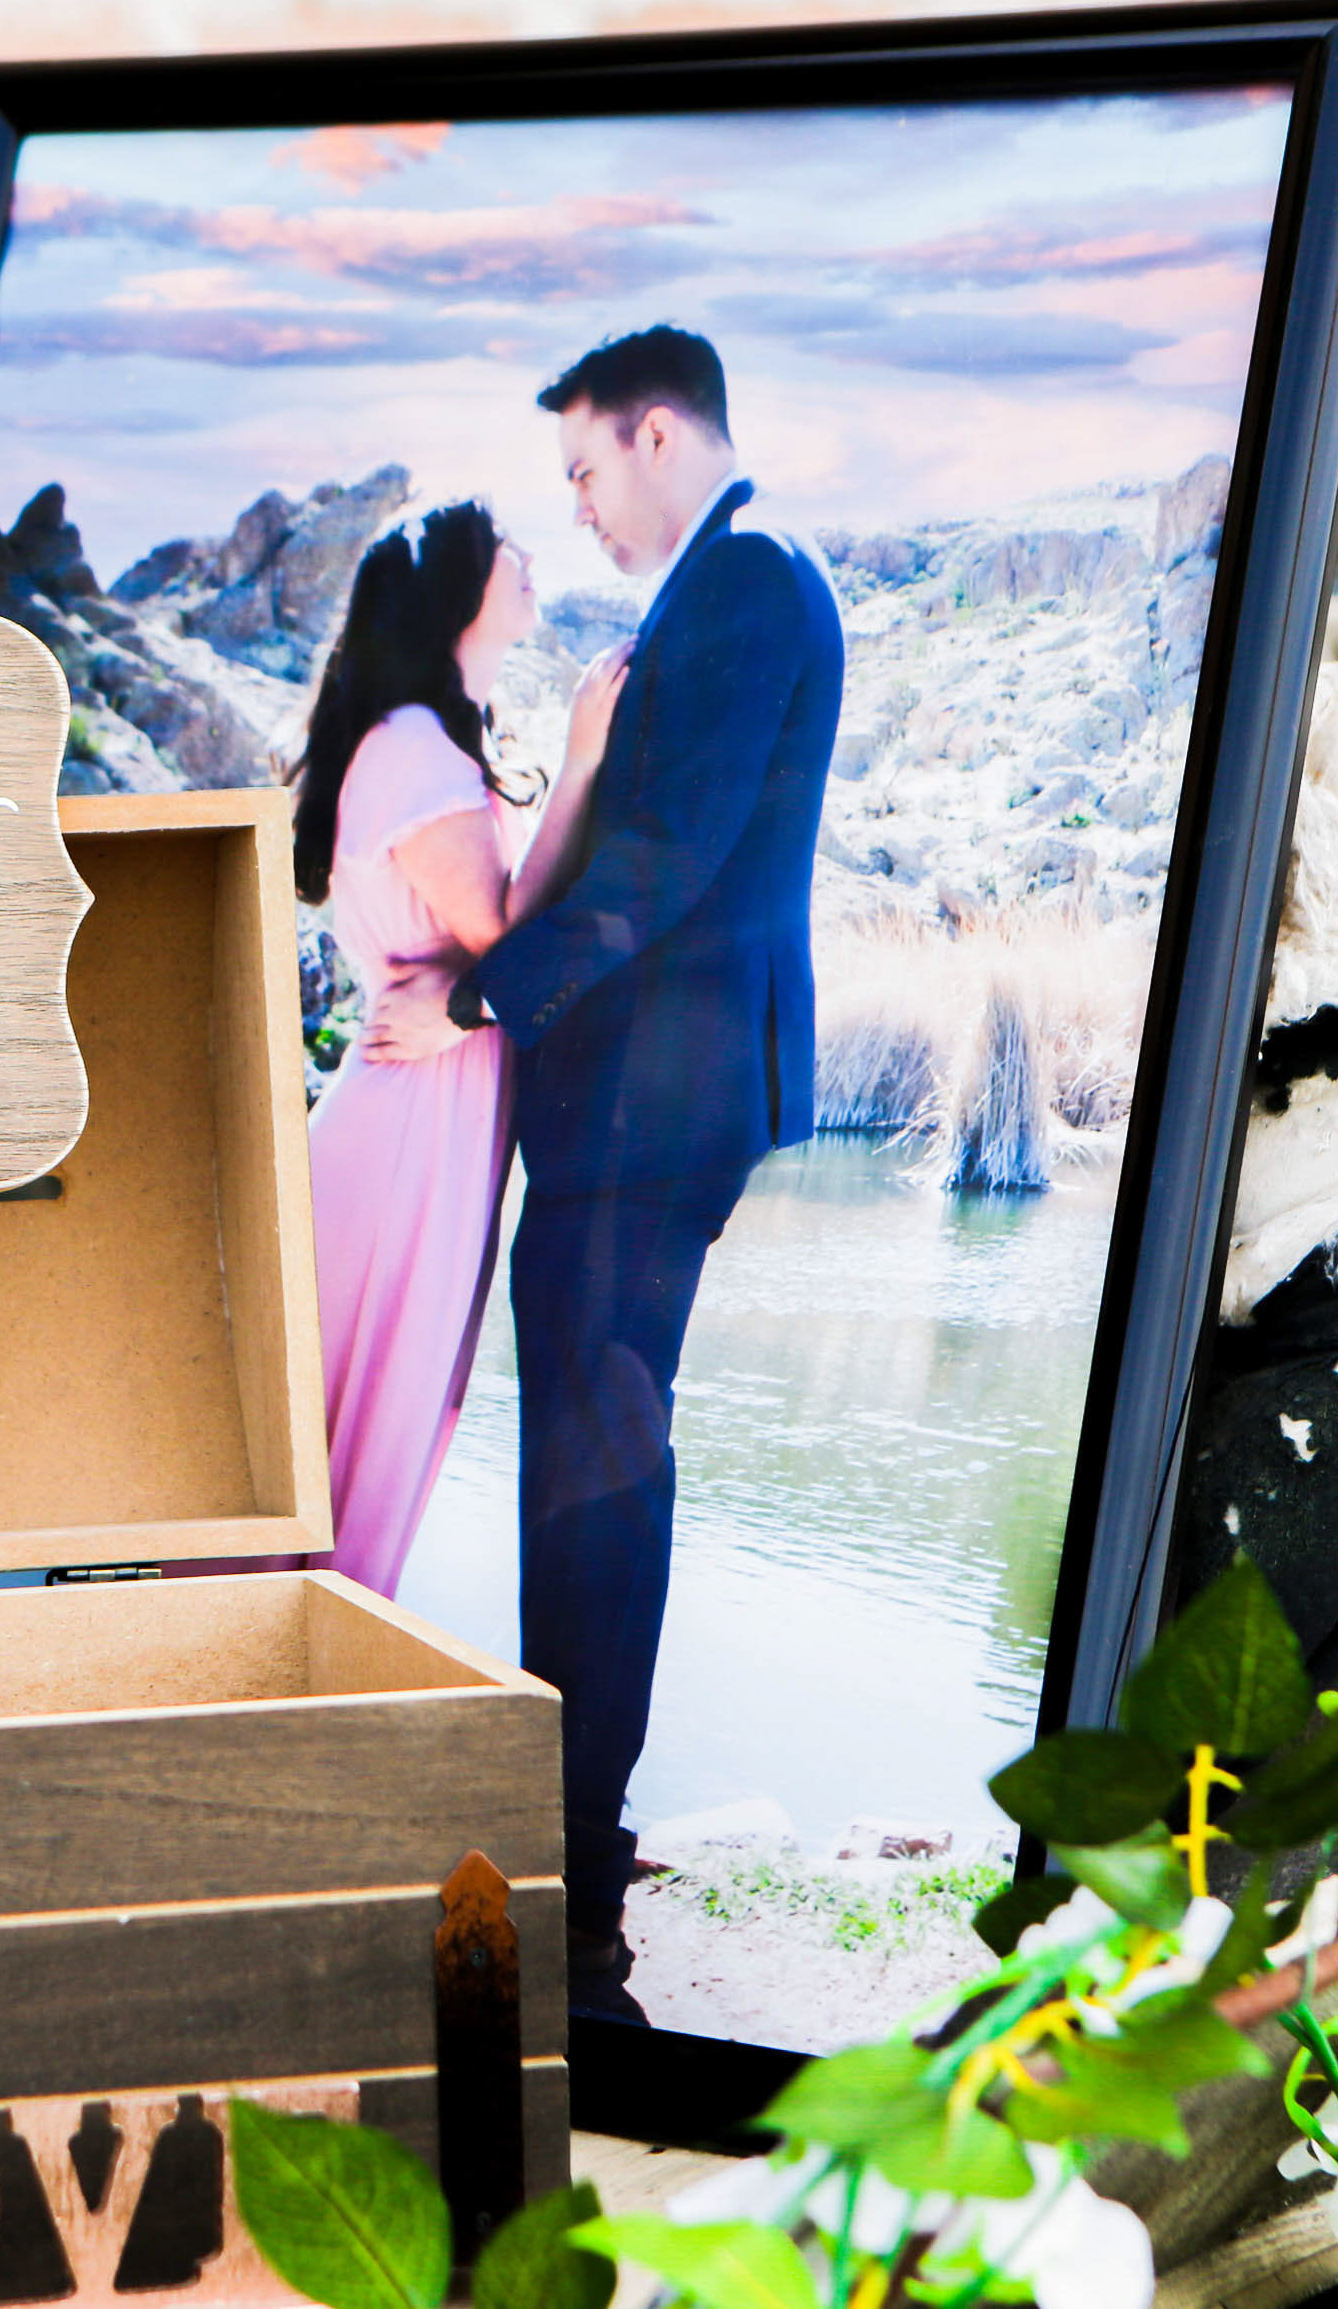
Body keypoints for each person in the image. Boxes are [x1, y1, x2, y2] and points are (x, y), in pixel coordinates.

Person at [367, 328, 846, 2021]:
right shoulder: (724, 585)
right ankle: (569, 1827)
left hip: (658, 1099)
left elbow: (657, 864)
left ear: (655, 435)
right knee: (590, 1446)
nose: (574, 505)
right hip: (640, 1097)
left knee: (596, 1459)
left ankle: (573, 1860)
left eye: (580, 468)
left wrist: (472, 1002)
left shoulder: (748, 584)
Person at [293, 501, 620, 1597]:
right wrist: (582, 763)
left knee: (374, 1417)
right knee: (365, 1419)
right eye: (503, 545)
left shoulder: (425, 742)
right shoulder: (412, 749)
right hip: (408, 1127)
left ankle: (306, 1656)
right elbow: (508, 930)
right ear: (456, 593)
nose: (527, 557)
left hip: (428, 1114)